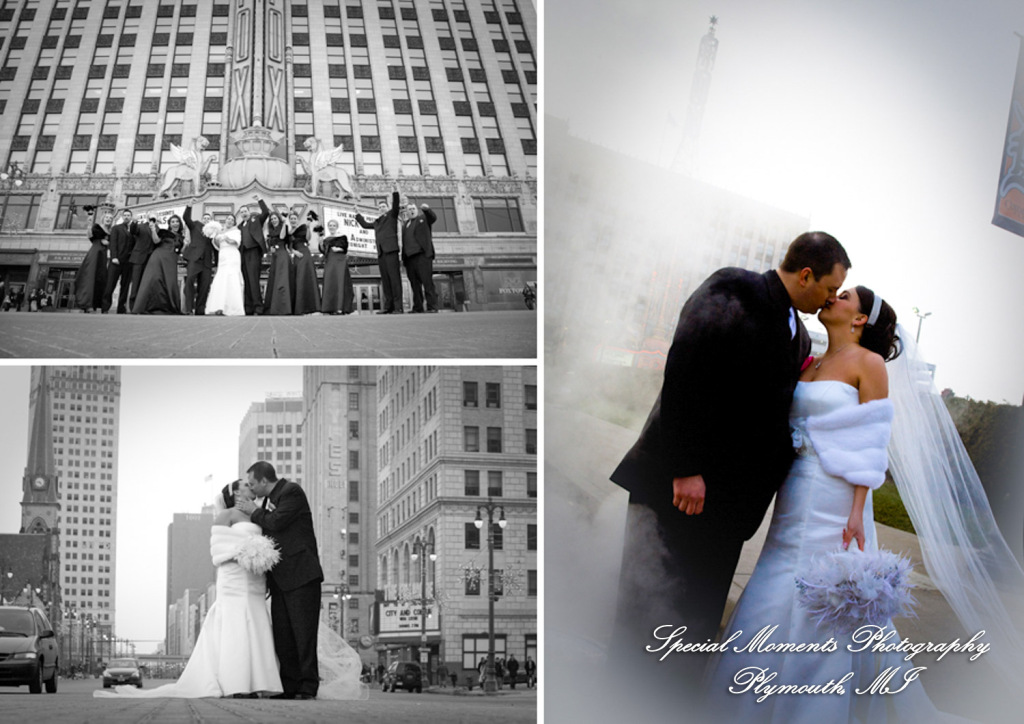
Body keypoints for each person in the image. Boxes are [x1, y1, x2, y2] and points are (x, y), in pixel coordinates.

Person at [702, 286, 1024, 722]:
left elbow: (872, 442)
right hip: (795, 487)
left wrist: (858, 511)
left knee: (826, 593)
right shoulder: (812, 363)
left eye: (845, 295)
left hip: (838, 495)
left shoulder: (869, 364)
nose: (833, 297)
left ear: (859, 319)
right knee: (777, 576)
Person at [607, 232, 851, 706]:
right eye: (828, 287)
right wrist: (686, 468)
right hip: (678, 490)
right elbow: (686, 368)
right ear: (806, 275)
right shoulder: (735, 288)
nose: (829, 299)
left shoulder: (797, 332)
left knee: (695, 619)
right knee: (649, 612)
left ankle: (669, 707)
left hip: (725, 510)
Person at [95, 481, 283, 698]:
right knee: (235, 627)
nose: (250, 487)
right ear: (236, 493)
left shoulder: (260, 515)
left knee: (257, 623)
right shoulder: (226, 516)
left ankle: (259, 682)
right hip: (234, 579)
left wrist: (262, 556)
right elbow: (217, 551)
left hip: (255, 580)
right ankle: (237, 684)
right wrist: (245, 551)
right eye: (245, 485)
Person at [235, 461, 325, 700]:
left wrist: (251, 510)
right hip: (280, 581)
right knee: (283, 637)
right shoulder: (265, 502)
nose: (251, 489)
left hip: (302, 576)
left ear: (265, 480)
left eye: (253, 483)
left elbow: (277, 522)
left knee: (303, 634)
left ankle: (307, 686)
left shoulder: (291, 492)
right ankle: (289, 685)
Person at [355, 186, 403, 314]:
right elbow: (365, 224)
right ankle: (389, 307)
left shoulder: (392, 217)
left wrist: (395, 192)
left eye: (384, 206)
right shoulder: (377, 222)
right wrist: (357, 213)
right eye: (380, 207)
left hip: (391, 251)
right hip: (381, 253)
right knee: (386, 281)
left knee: (394, 280)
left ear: (387, 208)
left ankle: (398, 307)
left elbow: (396, 205)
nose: (382, 208)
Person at [132, 215, 183, 315]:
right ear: (169, 224)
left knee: (170, 282)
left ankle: (170, 307)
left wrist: (186, 244)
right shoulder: (164, 232)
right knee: (154, 280)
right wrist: (153, 230)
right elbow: (156, 241)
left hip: (171, 260)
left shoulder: (181, 237)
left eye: (177, 221)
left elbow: (181, 251)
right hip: (158, 257)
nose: (175, 223)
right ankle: (145, 306)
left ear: (180, 223)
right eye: (172, 221)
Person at [205, 215, 245, 316]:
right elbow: (216, 244)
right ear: (225, 220)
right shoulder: (219, 231)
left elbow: (235, 242)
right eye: (228, 219)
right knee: (221, 278)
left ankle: (231, 307)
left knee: (231, 278)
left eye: (232, 220)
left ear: (234, 222)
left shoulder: (236, 231)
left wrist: (225, 237)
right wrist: (215, 236)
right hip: (222, 255)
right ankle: (219, 306)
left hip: (232, 255)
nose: (230, 221)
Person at [401, 201, 438, 313]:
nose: (411, 211)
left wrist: (427, 210)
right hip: (409, 258)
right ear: (406, 212)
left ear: (416, 210)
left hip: (422, 256)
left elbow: (432, 218)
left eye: (413, 209)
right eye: (409, 209)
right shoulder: (405, 224)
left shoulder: (423, 219)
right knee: (415, 285)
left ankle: (432, 306)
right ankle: (418, 307)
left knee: (427, 282)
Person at [182, 200, 217, 315]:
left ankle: (200, 309)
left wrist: (216, 264)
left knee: (204, 286)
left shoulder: (214, 232)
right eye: (205, 218)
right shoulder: (195, 225)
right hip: (194, 259)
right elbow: (186, 218)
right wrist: (189, 206)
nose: (206, 220)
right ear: (202, 220)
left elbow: (216, 248)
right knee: (189, 282)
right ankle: (188, 308)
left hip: (207, 262)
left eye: (209, 218)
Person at [237, 195, 270, 315]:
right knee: (246, 281)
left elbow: (266, 212)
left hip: (254, 253)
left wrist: (260, 200)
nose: (244, 213)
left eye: (245, 211)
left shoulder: (256, 221)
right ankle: (248, 308)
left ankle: (258, 308)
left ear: (249, 212)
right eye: (242, 212)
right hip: (243, 255)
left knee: (254, 280)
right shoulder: (239, 227)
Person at [74, 207, 110, 313]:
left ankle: (94, 304)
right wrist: (89, 225)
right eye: (107, 217)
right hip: (95, 252)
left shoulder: (111, 230)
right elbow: (90, 236)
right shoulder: (97, 227)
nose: (109, 219)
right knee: (90, 276)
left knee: (100, 279)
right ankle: (86, 303)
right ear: (103, 218)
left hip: (103, 254)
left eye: (110, 218)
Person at [287, 210, 321, 315]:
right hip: (297, 255)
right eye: (291, 219)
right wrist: (294, 252)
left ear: (297, 219)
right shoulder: (287, 231)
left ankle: (310, 307)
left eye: (294, 218)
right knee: (299, 278)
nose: (293, 220)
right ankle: (299, 307)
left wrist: (307, 227)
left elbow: (308, 238)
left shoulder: (302, 227)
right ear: (289, 220)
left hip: (305, 253)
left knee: (307, 277)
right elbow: (287, 246)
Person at [102, 209, 134, 314]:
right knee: (110, 284)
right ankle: (105, 307)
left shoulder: (134, 230)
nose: (126, 217)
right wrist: (114, 257)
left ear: (131, 217)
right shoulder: (116, 228)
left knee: (125, 286)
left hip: (128, 262)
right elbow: (113, 243)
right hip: (116, 261)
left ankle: (121, 308)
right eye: (125, 215)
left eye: (128, 215)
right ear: (122, 216)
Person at [319, 219, 354, 315]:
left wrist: (338, 248)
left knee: (340, 282)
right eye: (330, 225)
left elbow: (345, 248)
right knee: (330, 283)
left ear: (337, 226)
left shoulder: (342, 236)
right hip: (329, 261)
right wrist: (321, 244)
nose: (331, 227)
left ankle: (340, 307)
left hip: (339, 261)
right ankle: (329, 308)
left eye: (334, 225)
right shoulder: (326, 238)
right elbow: (323, 251)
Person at [263, 211, 293, 315]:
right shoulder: (270, 231)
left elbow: (281, 237)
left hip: (282, 256)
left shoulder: (283, 227)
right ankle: (274, 307)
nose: (273, 220)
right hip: (274, 257)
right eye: (271, 219)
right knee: (274, 281)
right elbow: (269, 244)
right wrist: (270, 248)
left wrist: (285, 222)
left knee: (281, 280)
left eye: (275, 218)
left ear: (279, 219)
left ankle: (282, 307)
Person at [127, 212, 158, 312]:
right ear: (147, 218)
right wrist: (134, 221)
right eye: (151, 217)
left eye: (154, 217)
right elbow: (133, 231)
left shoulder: (157, 229)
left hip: (150, 261)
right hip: (138, 259)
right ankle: (133, 307)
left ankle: (143, 307)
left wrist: (154, 229)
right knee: (135, 284)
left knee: (145, 284)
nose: (152, 218)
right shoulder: (140, 226)